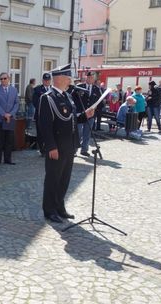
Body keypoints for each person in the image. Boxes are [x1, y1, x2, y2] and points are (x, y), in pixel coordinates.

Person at [39, 63, 94, 223]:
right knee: (53, 179)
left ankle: (59, 207)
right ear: (60, 78)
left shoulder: (67, 96)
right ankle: (49, 210)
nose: (70, 80)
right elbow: (45, 125)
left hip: (70, 144)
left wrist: (85, 115)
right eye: (68, 77)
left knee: (64, 179)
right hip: (56, 146)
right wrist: (51, 147)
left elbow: (72, 118)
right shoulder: (47, 98)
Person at [0, 72, 19, 165]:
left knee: (9, 140)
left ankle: (7, 159)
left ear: (8, 79)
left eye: (4, 78)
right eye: (1, 79)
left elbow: (16, 103)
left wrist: (10, 114)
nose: (3, 80)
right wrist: (4, 114)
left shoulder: (14, 90)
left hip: (10, 119)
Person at [73, 72, 101, 157]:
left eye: (91, 78)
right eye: (88, 77)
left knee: (87, 133)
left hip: (91, 115)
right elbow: (72, 99)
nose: (90, 79)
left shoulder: (96, 89)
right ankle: (74, 150)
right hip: (80, 114)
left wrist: (95, 109)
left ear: (94, 79)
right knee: (78, 132)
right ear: (86, 78)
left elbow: (99, 102)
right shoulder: (79, 87)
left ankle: (84, 149)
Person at [32, 73, 51, 156]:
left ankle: (48, 148)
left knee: (49, 133)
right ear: (43, 80)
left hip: (51, 116)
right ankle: (42, 150)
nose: (47, 82)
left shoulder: (53, 89)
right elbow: (35, 102)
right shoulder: (37, 89)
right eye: (45, 80)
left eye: (48, 80)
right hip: (40, 115)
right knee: (40, 133)